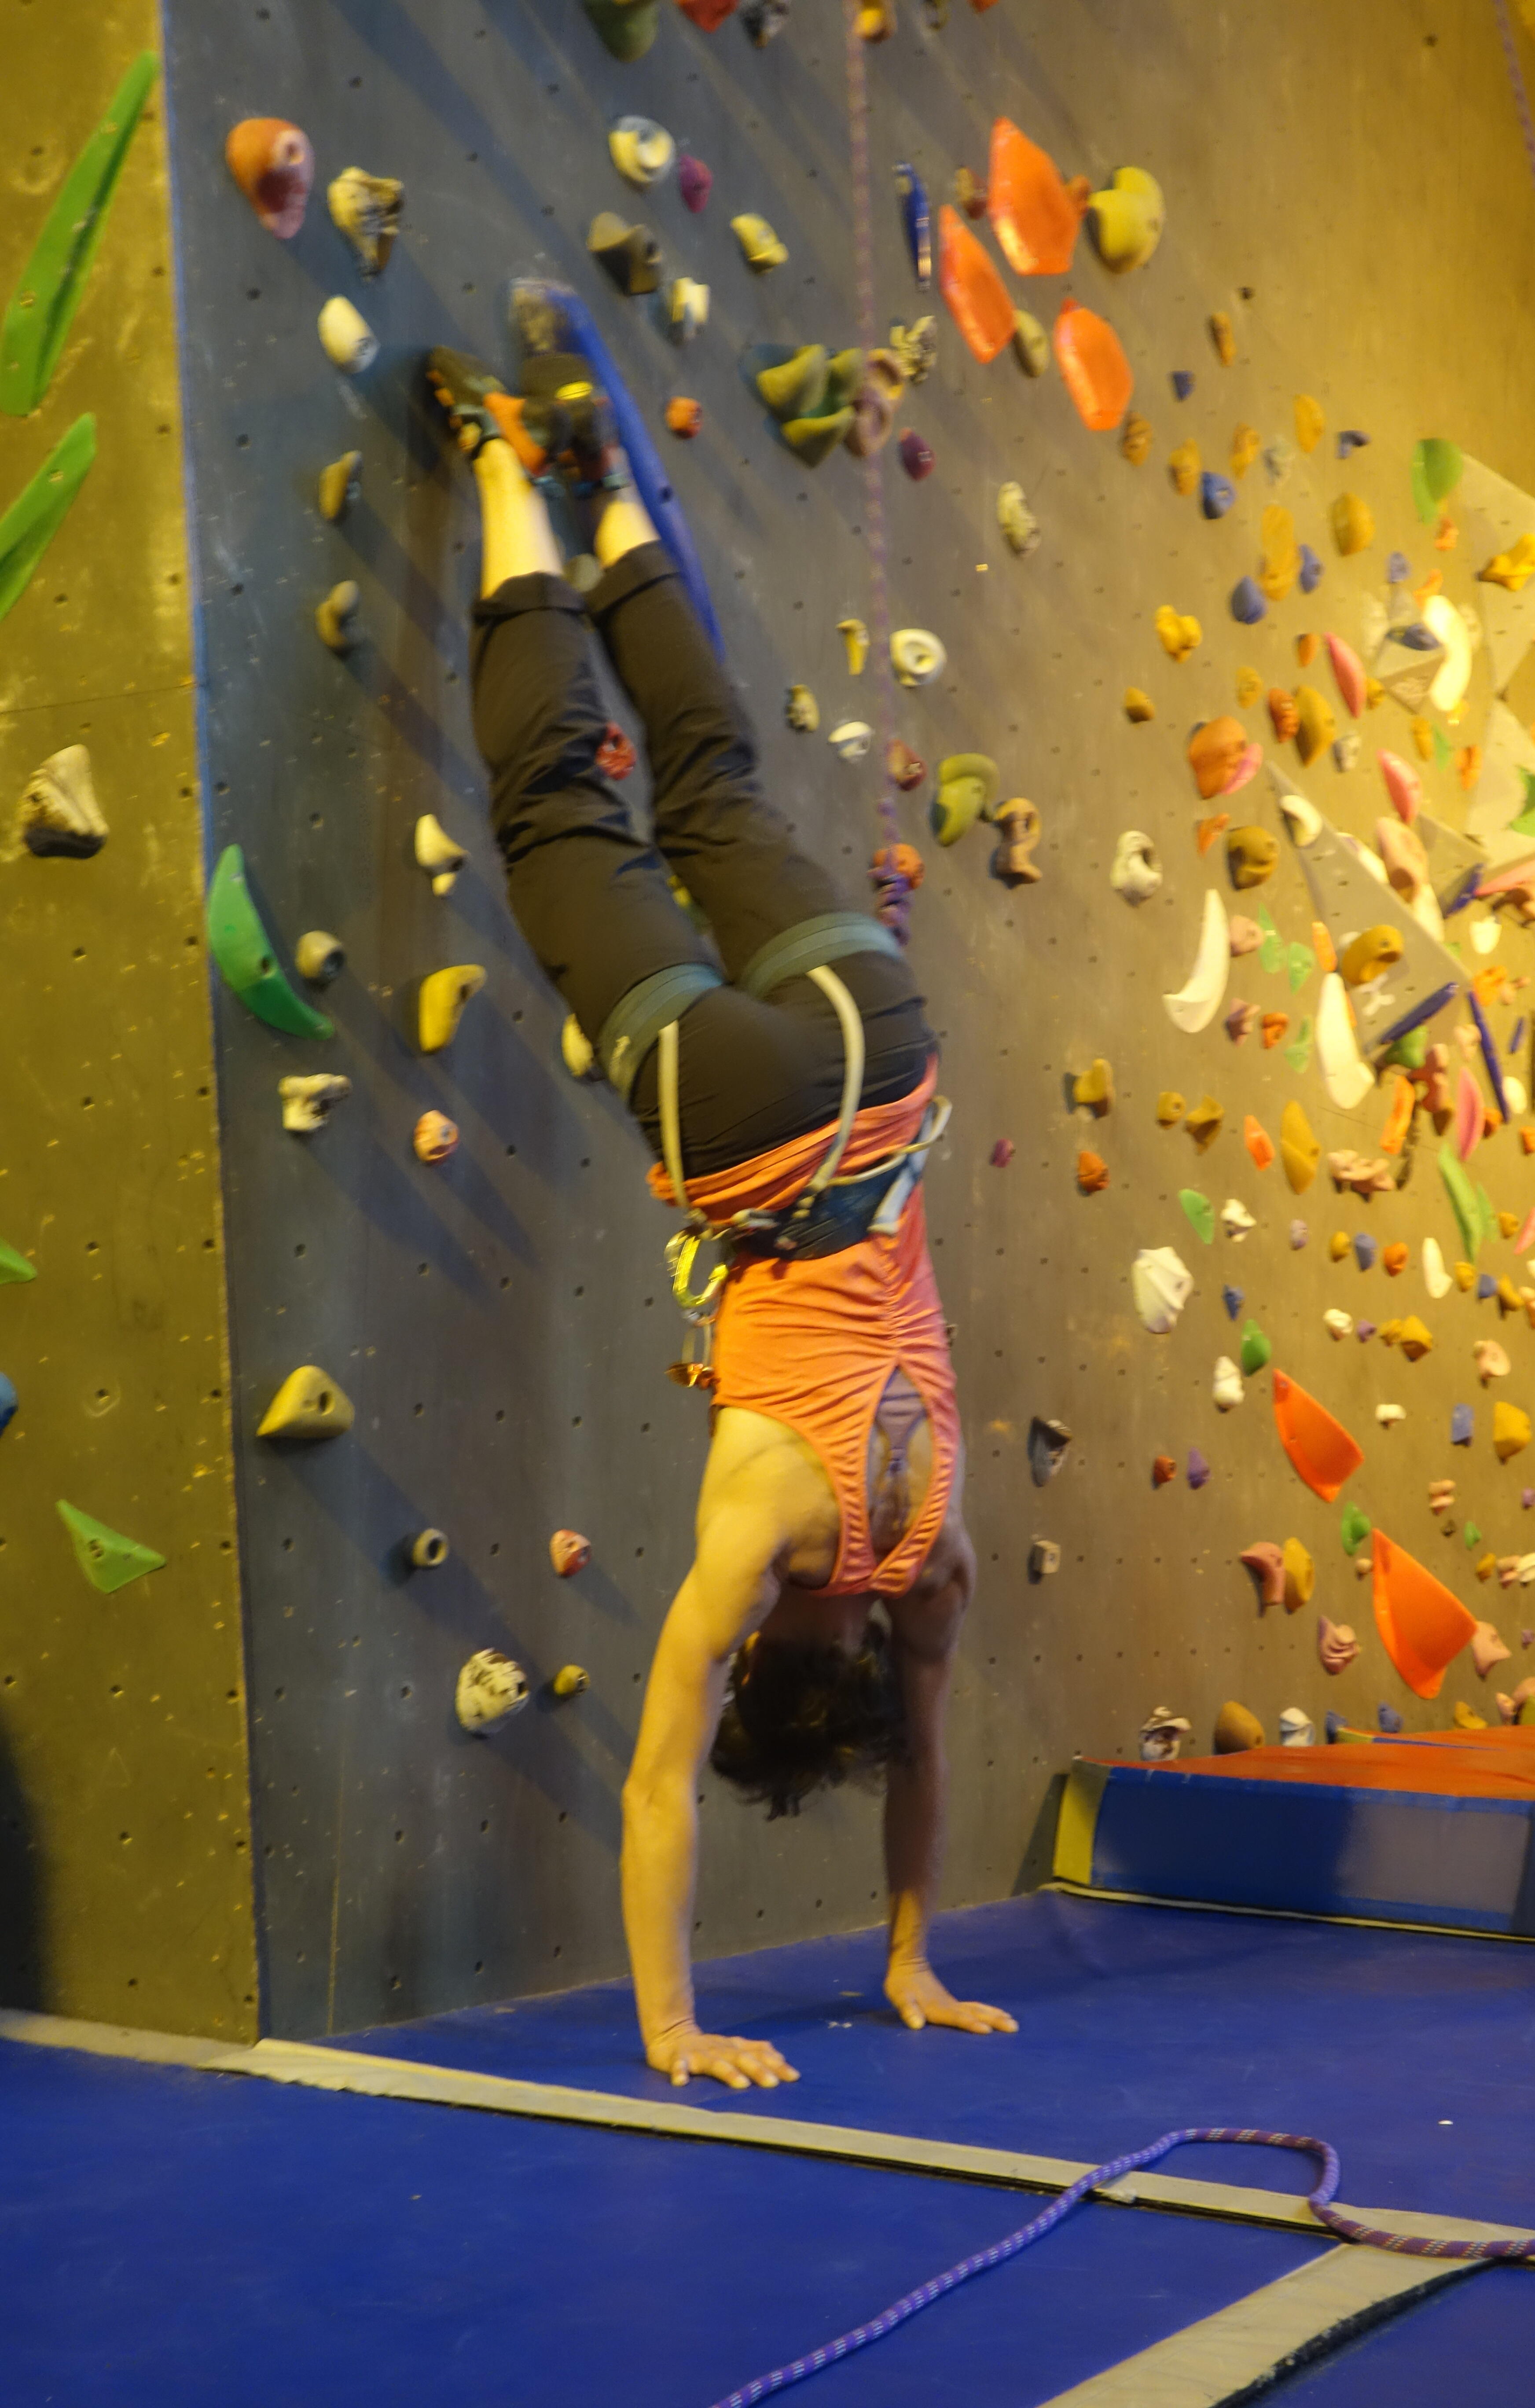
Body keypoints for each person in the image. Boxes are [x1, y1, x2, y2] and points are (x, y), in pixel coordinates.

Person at [430, 296, 1016, 2091]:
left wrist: (914, 1955)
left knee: (711, 788)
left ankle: (610, 497)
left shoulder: (938, 1568)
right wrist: (673, 2023)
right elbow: (655, 1785)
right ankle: (509, 476)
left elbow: (927, 1753)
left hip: (881, 1055)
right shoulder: (754, 1545)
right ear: (768, 1658)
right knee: (559, 819)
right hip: (742, 1122)